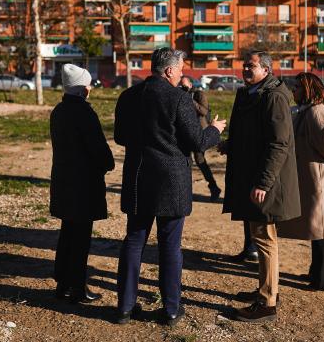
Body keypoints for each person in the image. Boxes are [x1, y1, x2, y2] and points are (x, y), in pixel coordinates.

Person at [113, 48, 226, 327]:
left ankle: (125, 308)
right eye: (181, 68)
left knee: (134, 241)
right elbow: (197, 142)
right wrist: (215, 129)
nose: (183, 72)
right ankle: (172, 310)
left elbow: (119, 136)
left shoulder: (128, 96)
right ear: (169, 71)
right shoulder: (178, 98)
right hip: (171, 181)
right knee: (170, 246)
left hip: (139, 177)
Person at [220, 51, 300, 323]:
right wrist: (229, 145)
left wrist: (263, 183)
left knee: (265, 239)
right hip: (251, 176)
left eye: (251, 66)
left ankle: (267, 303)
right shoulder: (250, 93)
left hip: (266, 182)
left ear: (266, 70)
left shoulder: (274, 97)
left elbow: (279, 144)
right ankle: (267, 290)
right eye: (244, 65)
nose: (245, 69)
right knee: (261, 237)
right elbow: (250, 134)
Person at [277, 73, 324, 293]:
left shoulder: (318, 112)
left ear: (309, 88)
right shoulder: (305, 111)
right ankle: (317, 272)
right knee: (317, 231)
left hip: (322, 181)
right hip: (313, 179)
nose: (294, 91)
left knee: (322, 231)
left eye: (298, 86)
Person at [49, 64, 115, 304]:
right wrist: (108, 163)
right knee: (80, 239)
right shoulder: (84, 113)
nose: (90, 89)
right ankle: (78, 286)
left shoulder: (58, 111)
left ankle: (63, 283)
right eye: (88, 85)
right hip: (83, 185)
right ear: (81, 89)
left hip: (64, 182)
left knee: (67, 233)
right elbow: (97, 148)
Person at [179, 76, 222, 200]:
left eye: (185, 86)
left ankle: (214, 187)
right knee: (185, 161)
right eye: (181, 86)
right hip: (185, 133)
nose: (183, 88)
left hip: (199, 134)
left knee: (200, 161)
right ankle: (185, 190)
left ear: (191, 85)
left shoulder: (199, 94)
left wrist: (188, 99)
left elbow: (203, 111)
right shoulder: (179, 96)